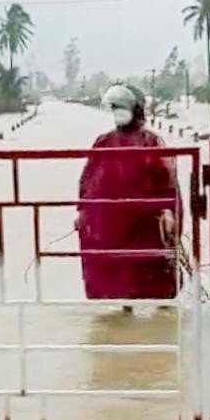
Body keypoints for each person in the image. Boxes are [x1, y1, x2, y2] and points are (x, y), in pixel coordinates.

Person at [76, 84, 181, 301]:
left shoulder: (152, 142)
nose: (118, 113)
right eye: (115, 108)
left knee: (150, 271)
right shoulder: (103, 142)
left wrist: (168, 210)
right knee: (115, 272)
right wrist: (82, 210)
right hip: (113, 221)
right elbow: (89, 180)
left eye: (122, 107)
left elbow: (167, 181)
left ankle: (158, 315)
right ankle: (122, 313)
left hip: (145, 221)